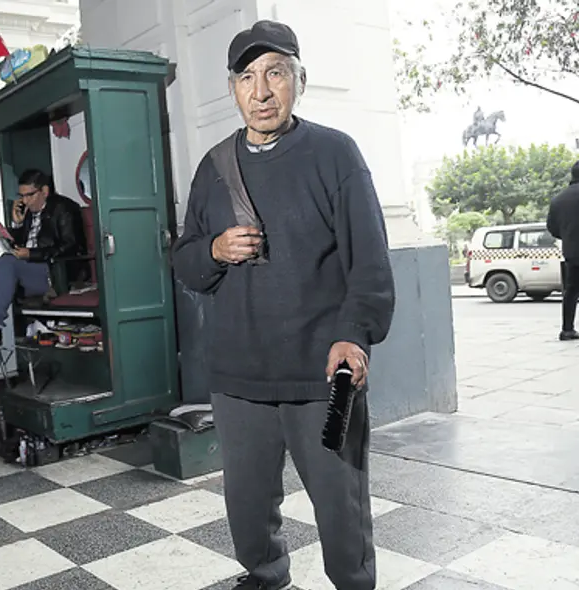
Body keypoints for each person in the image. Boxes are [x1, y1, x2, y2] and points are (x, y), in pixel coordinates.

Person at [171, 21, 395, 590]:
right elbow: (186, 260)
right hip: (237, 373)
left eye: (275, 73)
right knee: (246, 500)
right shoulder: (214, 167)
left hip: (323, 373)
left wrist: (355, 334)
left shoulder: (334, 153)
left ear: (299, 79)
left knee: (339, 501)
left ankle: (353, 584)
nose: (262, 90)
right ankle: (266, 576)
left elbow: (368, 260)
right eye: (247, 77)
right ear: (233, 89)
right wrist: (216, 250)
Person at [0, 169, 86, 343]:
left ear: (45, 191)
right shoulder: (28, 211)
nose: (25, 201)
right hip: (30, 269)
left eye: (30, 195)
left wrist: (31, 254)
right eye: (22, 196)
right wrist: (17, 224)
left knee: (8, 261)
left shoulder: (64, 209)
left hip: (55, 273)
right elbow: (20, 244)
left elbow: (70, 247)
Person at [547, 160, 579, 341]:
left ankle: (567, 329)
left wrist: (568, 237)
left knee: (571, 291)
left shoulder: (558, 200)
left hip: (572, 253)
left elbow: (551, 227)